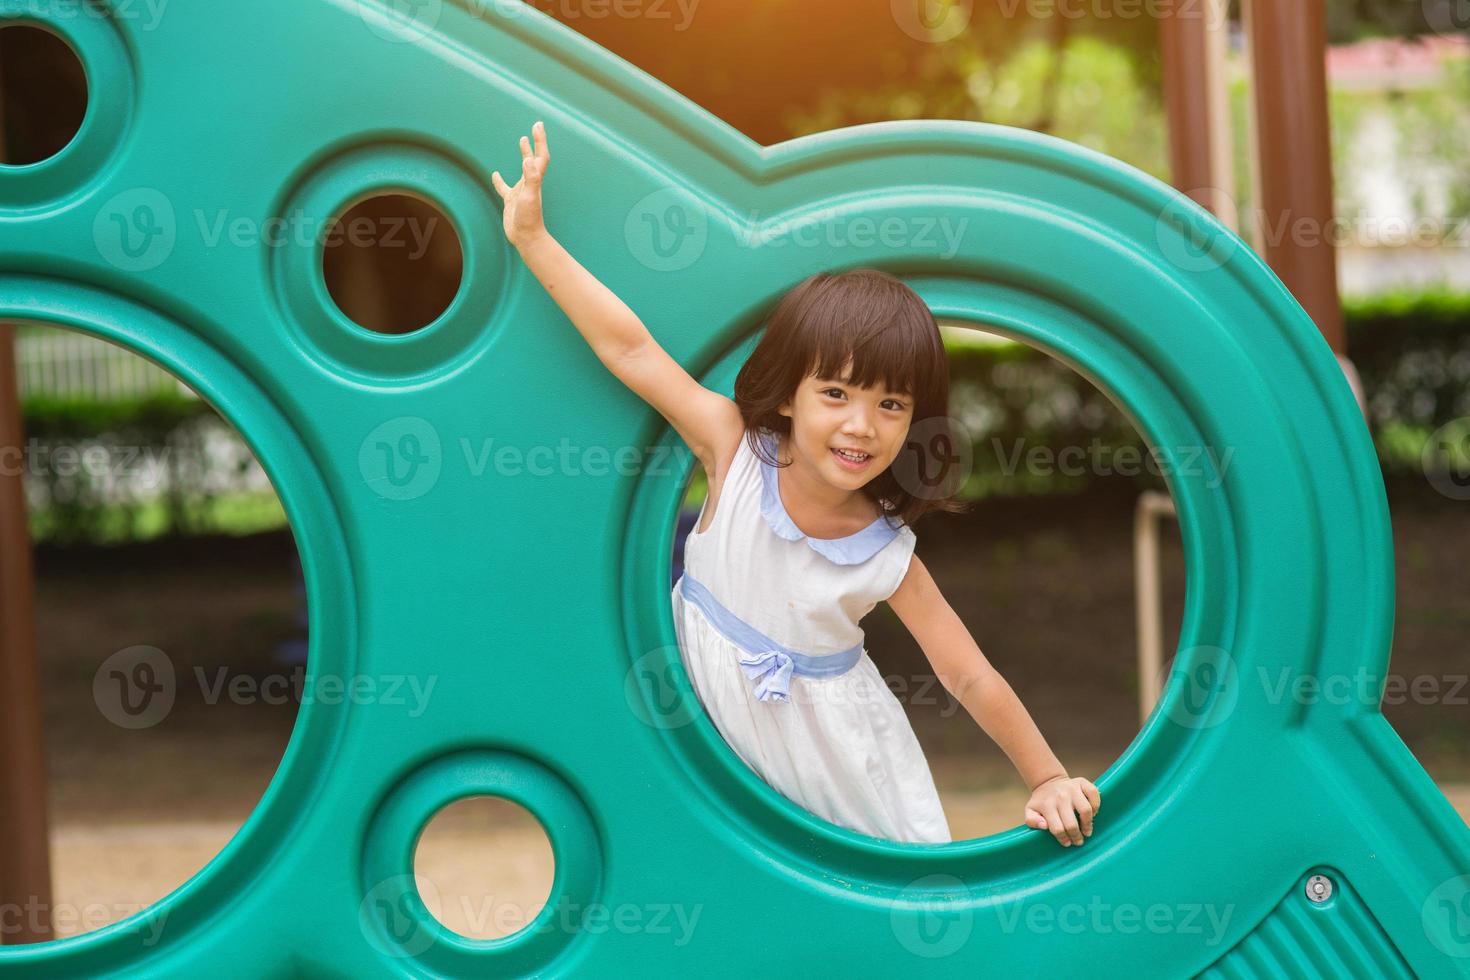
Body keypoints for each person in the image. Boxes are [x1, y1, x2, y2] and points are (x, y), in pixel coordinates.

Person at [492, 120, 1100, 847]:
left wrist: (1046, 777)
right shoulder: (733, 452)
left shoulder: (886, 553)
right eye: (837, 394)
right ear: (789, 396)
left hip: (842, 772)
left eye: (891, 405)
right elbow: (629, 347)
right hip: (712, 750)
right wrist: (533, 239)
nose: (861, 426)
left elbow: (968, 675)